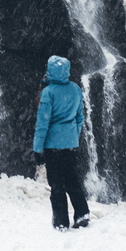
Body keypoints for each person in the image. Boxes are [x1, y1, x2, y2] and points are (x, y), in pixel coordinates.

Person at [32, 55, 90, 230]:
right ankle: (82, 213)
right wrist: (73, 135)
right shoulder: (75, 89)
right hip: (70, 143)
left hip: (53, 145)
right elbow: (80, 117)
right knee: (72, 179)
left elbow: (43, 123)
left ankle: (61, 221)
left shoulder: (48, 92)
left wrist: (37, 148)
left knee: (56, 184)